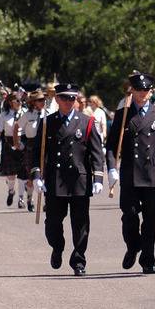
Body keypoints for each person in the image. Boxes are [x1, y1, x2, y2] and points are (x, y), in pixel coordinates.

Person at [104, 71, 155, 274]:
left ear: (151, 92)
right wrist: (111, 167)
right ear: (132, 91)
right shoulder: (123, 115)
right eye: (138, 90)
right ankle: (133, 245)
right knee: (129, 216)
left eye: (146, 90)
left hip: (153, 174)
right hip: (130, 174)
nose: (142, 94)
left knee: (151, 220)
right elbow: (111, 146)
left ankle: (148, 259)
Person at [31, 83, 105, 276]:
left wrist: (98, 177)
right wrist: (37, 175)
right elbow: (37, 152)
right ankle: (58, 247)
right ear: (57, 99)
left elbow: (96, 152)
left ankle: (79, 260)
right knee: (53, 223)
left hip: (79, 179)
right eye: (65, 98)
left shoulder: (87, 122)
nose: (69, 101)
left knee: (80, 223)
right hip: (55, 180)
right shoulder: (48, 122)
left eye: (72, 98)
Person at [0, 93, 25, 207]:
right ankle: (11, 191)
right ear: (11, 102)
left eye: (21, 100)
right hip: (9, 144)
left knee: (22, 173)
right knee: (11, 175)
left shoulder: (25, 113)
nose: (19, 102)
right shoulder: (4, 115)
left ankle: (21, 199)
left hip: (23, 144)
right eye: (17, 100)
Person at [18, 89, 48, 212]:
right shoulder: (28, 115)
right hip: (31, 146)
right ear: (34, 102)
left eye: (44, 100)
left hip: (45, 145)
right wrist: (16, 142)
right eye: (40, 100)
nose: (43, 102)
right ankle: (30, 199)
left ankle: (47, 202)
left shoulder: (48, 113)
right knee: (32, 176)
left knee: (46, 174)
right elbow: (16, 126)